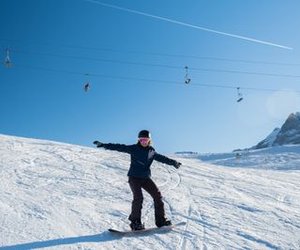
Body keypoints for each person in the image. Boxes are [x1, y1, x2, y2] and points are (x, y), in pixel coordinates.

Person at [93, 129, 182, 231]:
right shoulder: (134, 148)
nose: (143, 142)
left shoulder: (151, 151)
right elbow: (119, 147)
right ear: (139, 140)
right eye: (141, 140)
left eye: (145, 139)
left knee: (157, 196)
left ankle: (161, 221)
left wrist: (173, 162)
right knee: (138, 198)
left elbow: (162, 158)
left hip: (145, 178)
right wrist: (104, 145)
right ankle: (135, 223)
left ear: (149, 140)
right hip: (134, 177)